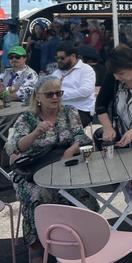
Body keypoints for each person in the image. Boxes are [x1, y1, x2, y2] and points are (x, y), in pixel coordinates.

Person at [4, 75, 95, 263]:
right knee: (40, 197)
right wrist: (36, 132)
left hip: (63, 166)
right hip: (31, 171)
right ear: (38, 97)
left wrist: (70, 151)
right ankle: (38, 250)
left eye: (58, 93)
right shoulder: (27, 118)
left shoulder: (69, 112)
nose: (55, 97)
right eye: (50, 94)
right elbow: (15, 147)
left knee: (83, 194)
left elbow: (81, 136)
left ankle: (79, 245)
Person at [52, 42, 96, 127]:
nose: (59, 61)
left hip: (80, 110)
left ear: (72, 56)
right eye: (57, 58)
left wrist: (60, 95)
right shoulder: (57, 72)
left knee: (60, 127)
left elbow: (85, 91)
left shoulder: (86, 70)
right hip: (58, 109)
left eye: (62, 58)